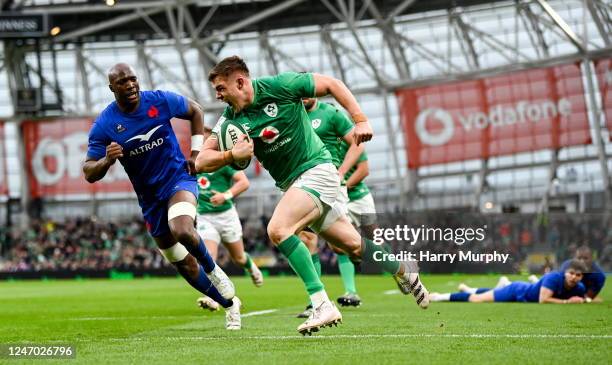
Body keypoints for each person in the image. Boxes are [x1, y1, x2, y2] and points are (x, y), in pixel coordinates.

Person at [196, 56, 429, 335]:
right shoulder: (230, 120)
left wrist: (361, 120)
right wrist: (230, 155)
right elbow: (200, 161)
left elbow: (331, 84)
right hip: (294, 184)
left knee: (279, 230)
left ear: (240, 82)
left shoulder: (280, 86)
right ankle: (404, 270)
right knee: (353, 246)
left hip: (318, 170)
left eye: (221, 88)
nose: (217, 95)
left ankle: (321, 304)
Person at [83, 63, 241, 330]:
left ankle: (215, 272)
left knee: (181, 228)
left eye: (133, 79)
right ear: (112, 88)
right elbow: (89, 172)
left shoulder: (158, 100)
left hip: (178, 179)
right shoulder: (105, 125)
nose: (130, 84)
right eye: (122, 82)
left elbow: (195, 111)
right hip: (150, 199)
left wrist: (195, 153)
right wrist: (107, 161)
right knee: (185, 266)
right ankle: (230, 305)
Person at [296, 97, 366, 318]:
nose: (304, 96)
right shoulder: (293, 114)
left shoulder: (331, 114)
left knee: (343, 246)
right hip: (304, 186)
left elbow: (358, 144)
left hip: (330, 185)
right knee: (307, 240)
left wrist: (342, 172)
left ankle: (396, 268)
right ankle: (315, 302)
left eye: (308, 92)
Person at [195, 129, 263, 311]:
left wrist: (225, 195)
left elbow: (244, 182)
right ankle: (214, 297)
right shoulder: (193, 162)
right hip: (205, 217)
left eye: (205, 139)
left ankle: (251, 267)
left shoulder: (223, 163)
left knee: (239, 258)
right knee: (208, 258)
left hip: (226, 216)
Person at [430, 259, 588, 304]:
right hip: (516, 291)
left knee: (491, 293)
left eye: (578, 275)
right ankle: (439, 296)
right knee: (477, 300)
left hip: (524, 291)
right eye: (571, 273)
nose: (574, 277)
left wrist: (586, 300)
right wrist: (568, 302)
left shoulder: (579, 287)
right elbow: (543, 300)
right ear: (564, 273)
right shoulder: (554, 277)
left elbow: (588, 298)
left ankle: (468, 288)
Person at [490, 245, 606, 302]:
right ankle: (510, 283)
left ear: (592, 258)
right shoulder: (568, 265)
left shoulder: (599, 276)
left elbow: (588, 298)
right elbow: (556, 286)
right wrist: (566, 302)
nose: (581, 261)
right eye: (579, 258)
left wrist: (583, 300)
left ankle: (508, 283)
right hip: (530, 290)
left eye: (585, 258)